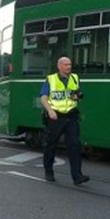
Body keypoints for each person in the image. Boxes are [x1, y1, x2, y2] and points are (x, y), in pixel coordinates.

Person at [40, 56, 89, 185]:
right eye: (66, 65)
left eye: (70, 64)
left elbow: (78, 95)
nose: (69, 67)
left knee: (74, 145)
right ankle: (49, 171)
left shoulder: (75, 78)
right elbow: (43, 97)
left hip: (71, 116)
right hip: (56, 116)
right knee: (51, 144)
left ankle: (77, 176)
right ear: (59, 66)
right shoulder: (51, 79)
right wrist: (50, 110)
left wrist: (77, 97)